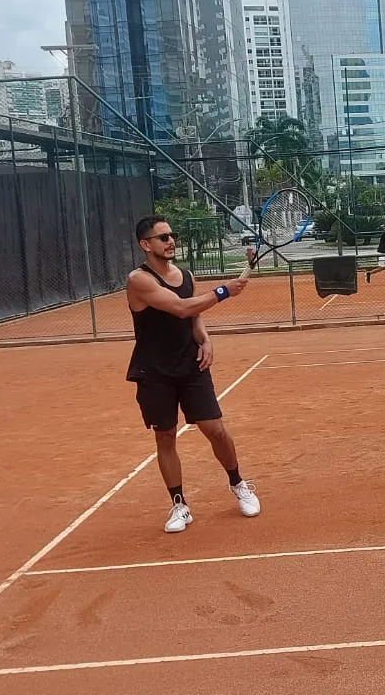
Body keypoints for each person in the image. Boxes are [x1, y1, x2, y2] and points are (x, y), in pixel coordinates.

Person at [125, 215, 260, 533]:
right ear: (146, 245)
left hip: (191, 366)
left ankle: (238, 483)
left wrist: (205, 339)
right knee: (166, 436)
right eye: (163, 237)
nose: (171, 241)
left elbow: (194, 315)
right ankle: (179, 505)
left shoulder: (185, 274)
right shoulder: (139, 280)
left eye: (172, 235)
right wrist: (225, 291)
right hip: (154, 370)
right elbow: (182, 308)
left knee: (215, 429)